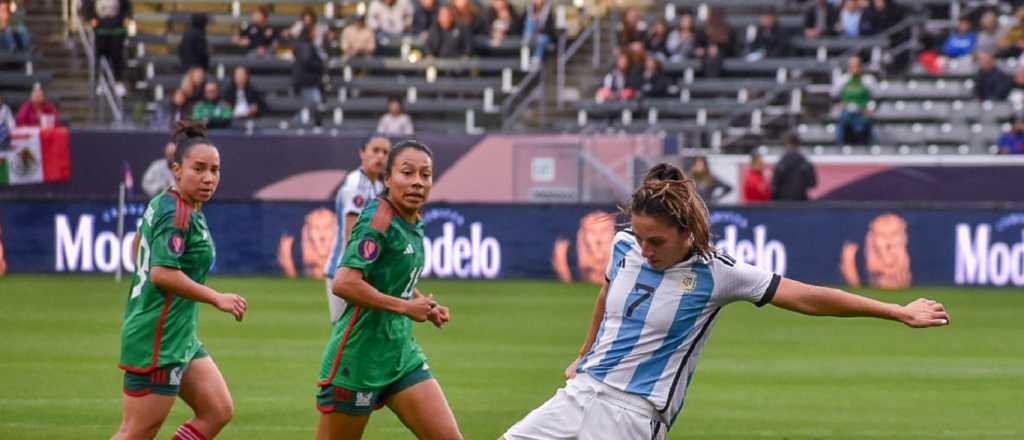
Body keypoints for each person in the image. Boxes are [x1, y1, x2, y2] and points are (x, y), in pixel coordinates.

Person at [500, 163, 949, 440]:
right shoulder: (624, 248)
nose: (645, 249)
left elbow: (808, 297)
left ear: (686, 233)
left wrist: (896, 311)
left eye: (656, 240)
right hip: (579, 394)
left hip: (634, 416)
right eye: (639, 238)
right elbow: (606, 292)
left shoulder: (718, 272)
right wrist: (583, 353)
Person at [112, 121, 248, 440]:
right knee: (135, 433)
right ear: (177, 169)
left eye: (215, 170)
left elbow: (136, 245)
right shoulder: (178, 213)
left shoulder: (174, 205)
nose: (208, 178)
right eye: (198, 169)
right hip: (156, 337)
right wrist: (216, 297)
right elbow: (161, 273)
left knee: (217, 410)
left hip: (180, 335)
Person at [316, 140, 460, 440]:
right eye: (407, 173)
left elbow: (396, 277)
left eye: (426, 174)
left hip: (401, 355)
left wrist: (424, 304)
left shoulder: (412, 221)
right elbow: (344, 282)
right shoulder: (378, 219)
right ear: (388, 179)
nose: (418, 182)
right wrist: (407, 308)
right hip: (359, 362)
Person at [323, 137, 390, 323]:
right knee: (345, 336)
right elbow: (352, 233)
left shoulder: (377, 185)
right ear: (362, 152)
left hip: (360, 270)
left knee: (358, 338)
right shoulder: (357, 185)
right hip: (346, 270)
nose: (380, 157)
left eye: (385, 153)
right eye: (375, 150)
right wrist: (360, 270)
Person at [82, 0, 130, 95]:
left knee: (117, 57)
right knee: (100, 57)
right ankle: (101, 82)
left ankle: (118, 82)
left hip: (117, 28)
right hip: (101, 29)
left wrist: (126, 17)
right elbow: (87, 6)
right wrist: (90, 18)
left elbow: (126, 6)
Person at [832, 55, 877, 145]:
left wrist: (869, 109)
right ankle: (840, 147)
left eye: (857, 65)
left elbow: (875, 98)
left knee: (863, 123)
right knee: (843, 119)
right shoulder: (842, 80)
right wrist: (840, 105)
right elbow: (833, 97)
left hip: (862, 111)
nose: (855, 68)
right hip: (846, 112)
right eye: (853, 65)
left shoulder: (868, 80)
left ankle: (867, 147)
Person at [293, 25, 326, 126]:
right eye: (313, 32)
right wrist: (320, 64)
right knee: (310, 106)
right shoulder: (305, 45)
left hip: (309, 81)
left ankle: (310, 124)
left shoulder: (307, 45)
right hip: (307, 82)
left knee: (313, 105)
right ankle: (303, 125)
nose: (315, 34)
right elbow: (307, 61)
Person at [771, 134, 817, 201]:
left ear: (787, 144)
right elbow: (812, 183)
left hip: (782, 203)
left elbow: (774, 184)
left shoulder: (781, 163)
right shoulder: (805, 163)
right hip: (801, 201)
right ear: (798, 144)